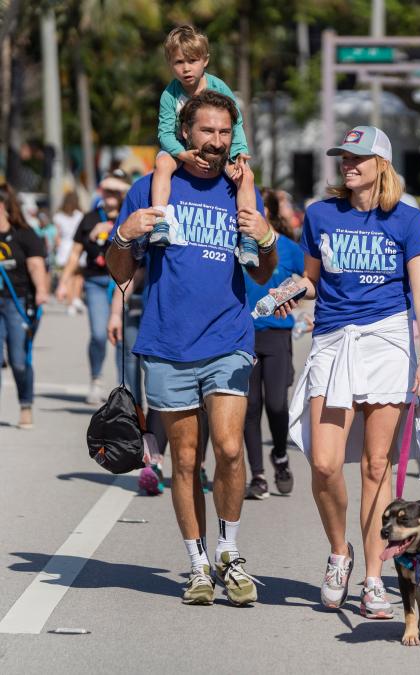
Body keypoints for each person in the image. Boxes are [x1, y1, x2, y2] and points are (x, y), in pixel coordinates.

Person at [107, 89, 277, 606]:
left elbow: (262, 271)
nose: (215, 143)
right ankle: (197, 564)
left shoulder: (240, 187)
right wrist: (122, 235)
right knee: (185, 460)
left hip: (227, 336)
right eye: (206, 132)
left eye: (224, 134)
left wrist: (267, 238)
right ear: (186, 133)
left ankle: (228, 550)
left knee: (228, 447)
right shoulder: (149, 188)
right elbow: (121, 275)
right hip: (167, 342)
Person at [278, 125, 420, 619]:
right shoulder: (320, 214)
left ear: (381, 165)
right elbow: (309, 280)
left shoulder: (408, 220)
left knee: (377, 467)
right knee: (324, 462)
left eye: (357, 157)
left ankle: (373, 578)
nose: (348, 164)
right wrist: (288, 291)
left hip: (388, 341)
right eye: (343, 157)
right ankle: (339, 554)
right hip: (332, 340)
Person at [149, 25, 259, 268]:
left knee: (245, 177)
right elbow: (165, 133)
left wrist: (239, 151)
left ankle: (249, 238)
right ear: (170, 63)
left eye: (192, 60)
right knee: (162, 163)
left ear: (205, 61)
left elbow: (236, 122)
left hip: (219, 151)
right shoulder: (170, 95)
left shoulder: (219, 87)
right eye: (179, 62)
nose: (186, 68)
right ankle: (160, 220)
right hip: (182, 147)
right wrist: (181, 154)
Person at [242, 188, 304, 499]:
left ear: (265, 212)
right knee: (249, 406)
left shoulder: (290, 248)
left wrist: (296, 305)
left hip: (277, 333)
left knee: (277, 403)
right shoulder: (238, 245)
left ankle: (279, 456)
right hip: (243, 334)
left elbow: (304, 284)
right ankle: (258, 475)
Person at [56, 171, 131, 404]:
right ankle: (96, 379)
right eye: (106, 190)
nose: (110, 195)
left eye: (115, 190)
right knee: (99, 334)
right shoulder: (89, 218)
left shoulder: (129, 216)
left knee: (121, 337)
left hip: (121, 282)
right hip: (96, 281)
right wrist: (64, 282)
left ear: (122, 193)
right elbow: (75, 253)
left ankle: (123, 389)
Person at [0, 182, 50, 429]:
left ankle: (26, 404)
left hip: (17, 301)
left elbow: (36, 265)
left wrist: (41, 290)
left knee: (19, 361)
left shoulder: (25, 234)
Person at [53, 191, 84, 314]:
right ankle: (76, 298)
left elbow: (57, 236)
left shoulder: (58, 216)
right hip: (77, 246)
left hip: (65, 247)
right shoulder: (80, 215)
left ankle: (70, 303)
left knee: (68, 277)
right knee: (78, 276)